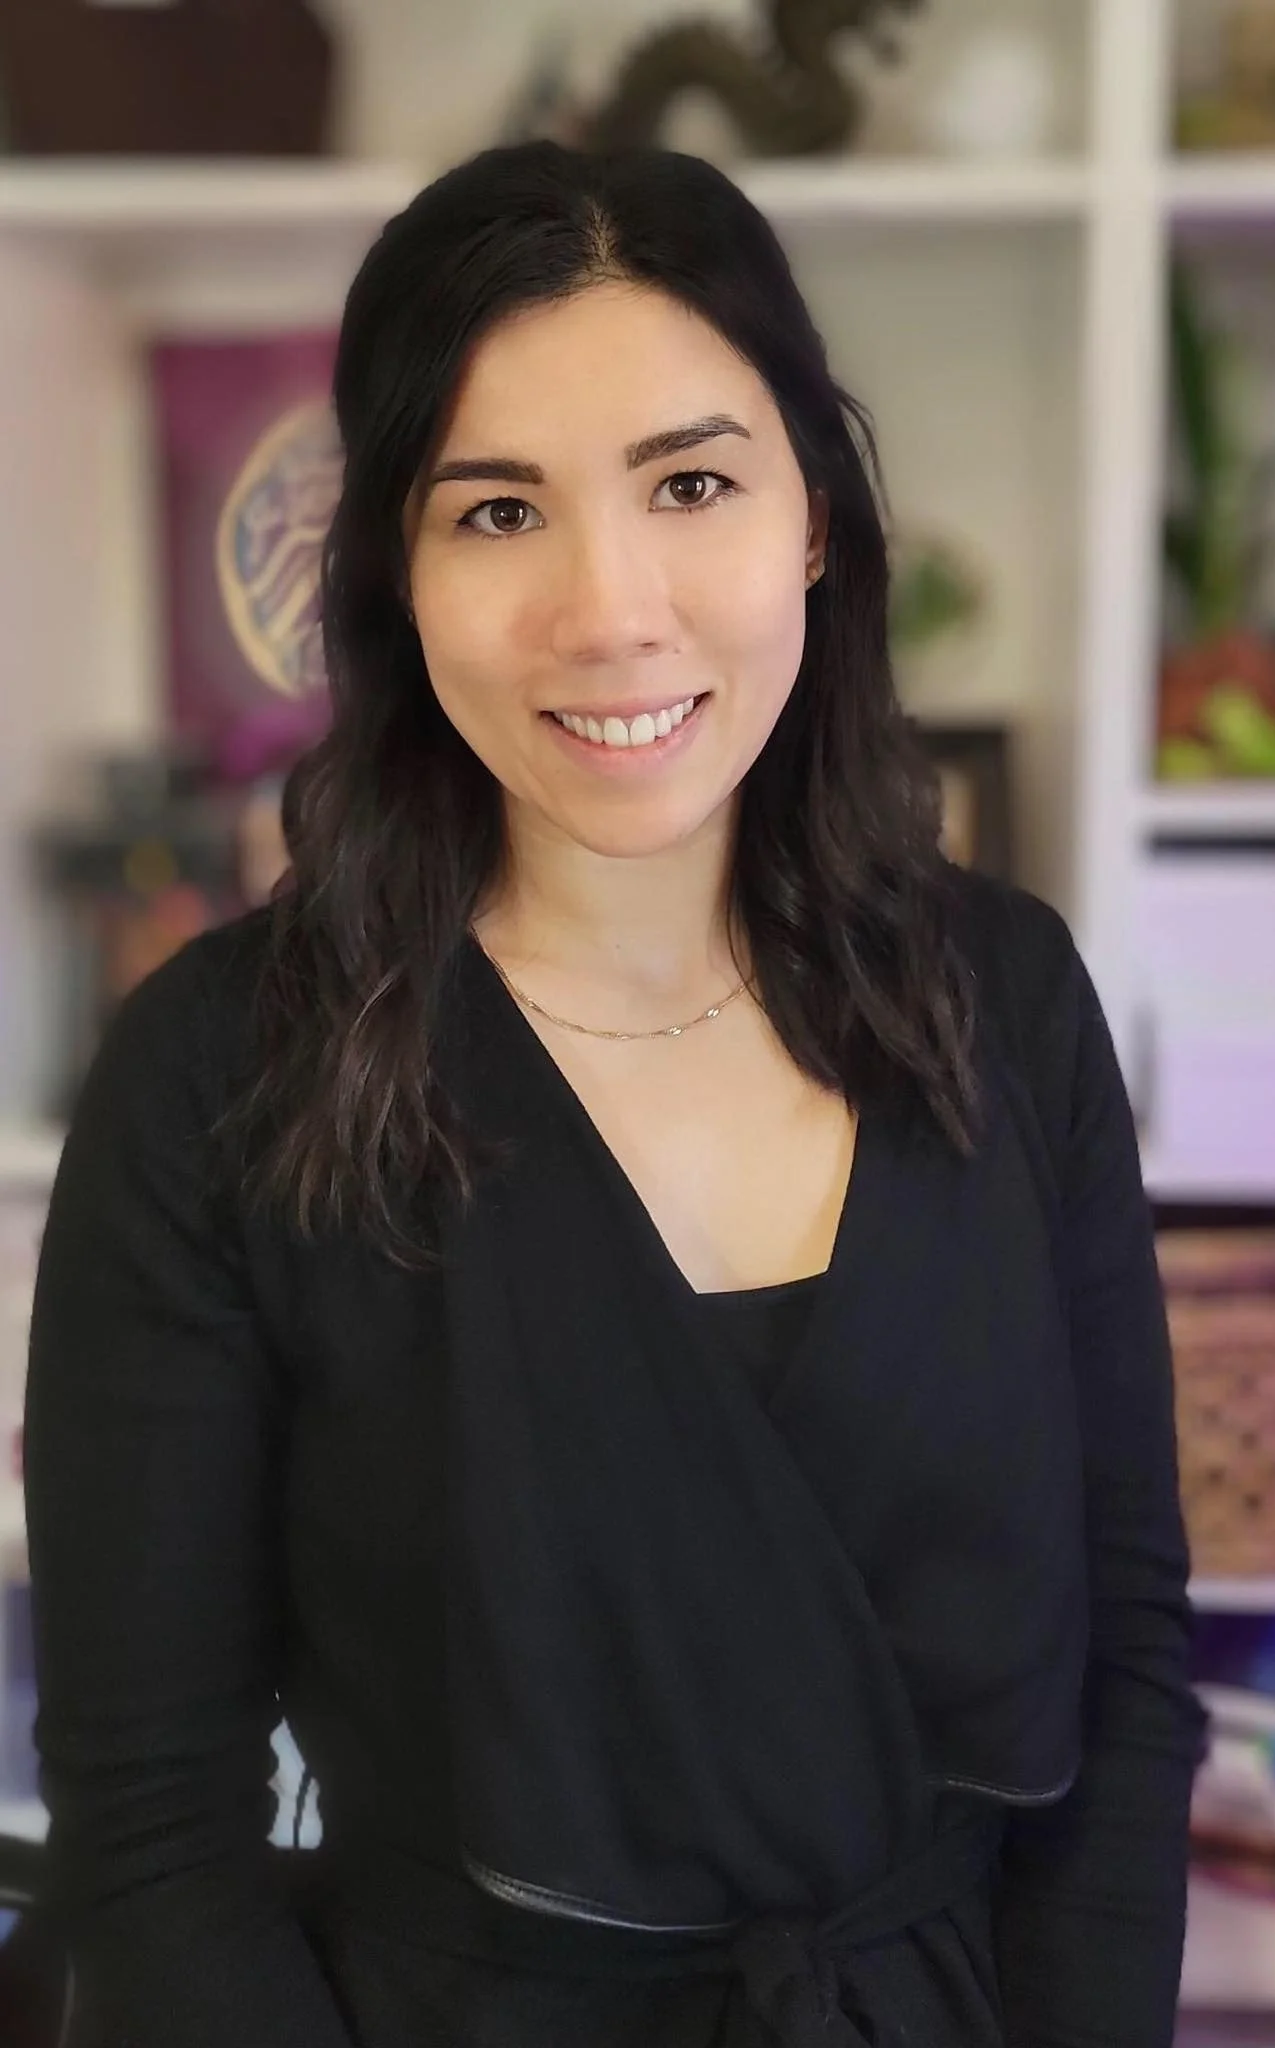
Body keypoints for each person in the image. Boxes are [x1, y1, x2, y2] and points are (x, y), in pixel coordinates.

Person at [23, 140, 1206, 2048]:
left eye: (693, 484)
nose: (613, 609)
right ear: (395, 572)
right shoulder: (222, 1079)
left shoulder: (1002, 1002)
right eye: (497, 513)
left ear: (811, 513)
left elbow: (1127, 1680)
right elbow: (156, 1836)